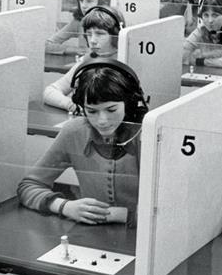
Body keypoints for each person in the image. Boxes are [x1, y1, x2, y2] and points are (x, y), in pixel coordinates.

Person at [18, 58, 147, 226]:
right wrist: (64, 206)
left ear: (129, 103)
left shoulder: (146, 135)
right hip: (91, 235)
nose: (102, 120)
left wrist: (118, 215)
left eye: (111, 109)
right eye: (91, 111)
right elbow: (29, 185)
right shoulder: (75, 132)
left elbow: (170, 208)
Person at [43, 5, 124, 112]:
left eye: (100, 34)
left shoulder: (125, 60)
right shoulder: (88, 60)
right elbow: (49, 91)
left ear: (117, 34)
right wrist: (71, 105)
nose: (93, 40)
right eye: (89, 34)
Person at [46, 0, 110, 55]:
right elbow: (47, 45)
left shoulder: (112, 23)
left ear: (102, 2)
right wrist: (74, 50)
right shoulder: (79, 21)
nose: (83, 6)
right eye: (81, 0)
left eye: (89, 1)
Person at [182, 0, 222, 69]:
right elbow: (184, 50)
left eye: (215, 15)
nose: (210, 20)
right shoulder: (202, 30)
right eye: (206, 15)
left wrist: (200, 61)